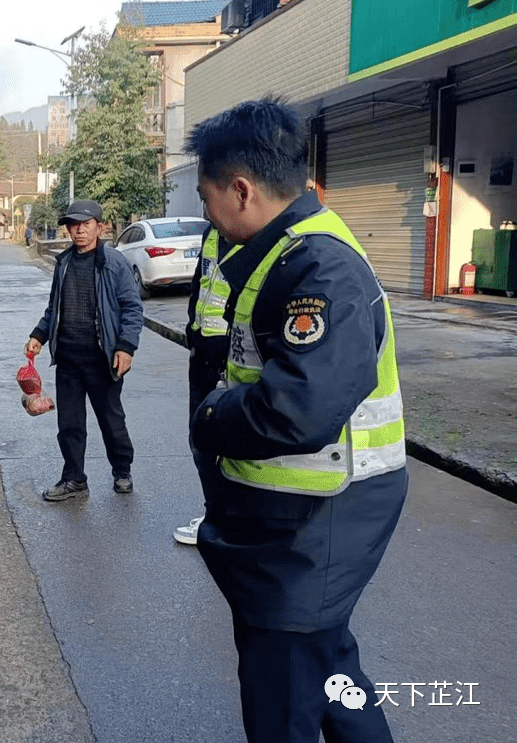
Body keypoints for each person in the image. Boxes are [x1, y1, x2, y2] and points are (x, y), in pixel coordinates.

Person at [186, 98, 407, 743]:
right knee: (331, 669)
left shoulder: (320, 267)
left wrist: (212, 414)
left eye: (206, 199)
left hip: (318, 520)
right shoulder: (275, 250)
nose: (206, 214)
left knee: (281, 690)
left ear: (242, 189)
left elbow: (300, 407)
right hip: (298, 514)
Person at [25, 199, 143, 500]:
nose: (78, 230)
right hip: (68, 359)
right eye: (73, 224)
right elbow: (55, 308)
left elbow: (132, 307)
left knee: (111, 421)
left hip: (102, 359)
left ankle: (122, 471)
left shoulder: (113, 262)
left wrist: (126, 348)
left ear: (99, 227)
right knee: (70, 425)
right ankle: (74, 478)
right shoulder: (63, 263)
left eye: (85, 224)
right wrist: (40, 335)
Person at [172, 226, 240, 545]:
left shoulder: (255, 233)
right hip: (202, 350)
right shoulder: (211, 234)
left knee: (226, 443)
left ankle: (225, 520)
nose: (207, 205)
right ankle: (215, 514)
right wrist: (193, 333)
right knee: (200, 438)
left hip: (231, 355)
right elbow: (201, 282)